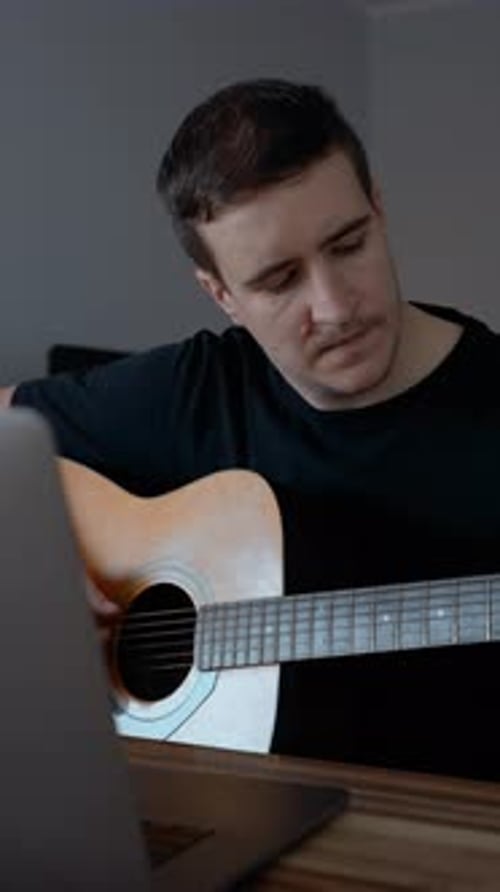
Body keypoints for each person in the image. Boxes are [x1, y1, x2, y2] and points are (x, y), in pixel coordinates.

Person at [2, 78, 500, 779]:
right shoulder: (196, 391)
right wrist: (40, 569)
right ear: (222, 294)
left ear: (379, 209)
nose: (335, 307)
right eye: (279, 280)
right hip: (225, 815)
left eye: (349, 244)